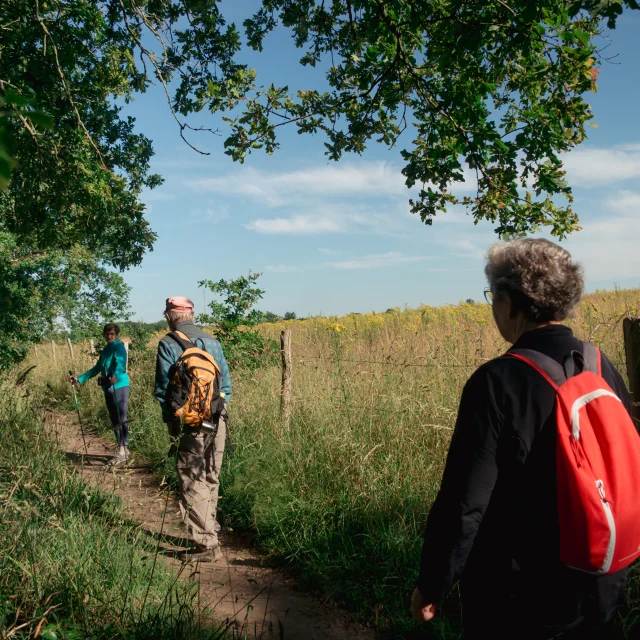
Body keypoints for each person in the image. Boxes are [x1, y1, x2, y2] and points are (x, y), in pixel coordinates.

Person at [411, 239, 633, 639]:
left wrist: (433, 583)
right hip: (599, 583)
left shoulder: (496, 382)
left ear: (512, 302)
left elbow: (465, 502)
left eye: (493, 297)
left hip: (519, 597)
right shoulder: (601, 365)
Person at [154, 296, 232, 562]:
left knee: (191, 478)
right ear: (192, 315)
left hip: (190, 423)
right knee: (211, 475)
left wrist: (172, 425)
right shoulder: (212, 342)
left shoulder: (167, 343)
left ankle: (206, 544)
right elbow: (227, 389)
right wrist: (214, 410)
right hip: (218, 419)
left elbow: (164, 393)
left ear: (168, 316)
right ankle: (210, 527)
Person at [69, 323, 131, 466]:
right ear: (104, 335)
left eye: (112, 334)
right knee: (114, 419)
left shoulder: (119, 348)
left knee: (121, 417)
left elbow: (120, 364)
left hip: (119, 385)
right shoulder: (106, 350)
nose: (109, 336)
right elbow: (97, 368)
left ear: (116, 335)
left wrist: (115, 375)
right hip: (108, 387)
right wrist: (79, 378)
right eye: (107, 334)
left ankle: (122, 451)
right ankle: (122, 449)